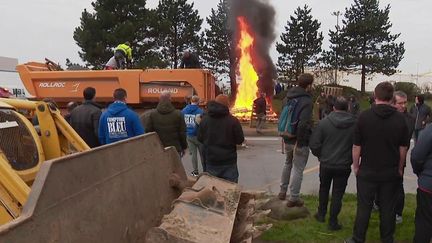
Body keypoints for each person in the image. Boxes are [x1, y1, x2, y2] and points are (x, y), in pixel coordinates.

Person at [345, 82, 409, 243]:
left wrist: (356, 166)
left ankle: (358, 238)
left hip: (367, 170)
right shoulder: (401, 119)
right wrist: (400, 168)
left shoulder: (364, 116)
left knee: (364, 207)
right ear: (392, 97)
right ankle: (387, 239)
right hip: (390, 171)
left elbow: (356, 146)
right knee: (388, 208)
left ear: (375, 95)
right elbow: (403, 149)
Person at [309, 96, 356, 231]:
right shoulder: (354, 124)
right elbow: (358, 143)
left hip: (327, 163)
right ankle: (333, 221)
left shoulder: (324, 123)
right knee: (338, 193)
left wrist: (320, 155)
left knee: (324, 189)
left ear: (334, 107)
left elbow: (315, 143)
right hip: (344, 164)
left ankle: (321, 214)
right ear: (347, 107)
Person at [278, 73, 314, 207]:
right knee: (298, 168)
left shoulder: (287, 98)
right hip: (299, 140)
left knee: (287, 163)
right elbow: (303, 124)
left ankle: (282, 191)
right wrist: (301, 141)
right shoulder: (306, 101)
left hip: (287, 137)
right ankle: (293, 198)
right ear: (309, 85)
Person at [198, 94, 244, 183]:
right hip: (229, 161)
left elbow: (200, 138)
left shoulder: (205, 120)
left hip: (212, 161)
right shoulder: (233, 121)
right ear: (227, 105)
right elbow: (240, 140)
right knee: (230, 190)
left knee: (213, 190)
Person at [391, 91, 415, 224]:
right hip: (385, 157)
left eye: (405, 102)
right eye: (400, 103)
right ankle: (378, 203)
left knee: (398, 186)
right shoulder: (389, 116)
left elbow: (403, 141)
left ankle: (398, 212)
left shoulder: (409, 119)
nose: (404, 106)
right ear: (393, 103)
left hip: (400, 157)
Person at [145, 91, 187, 155]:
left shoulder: (152, 114)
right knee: (175, 164)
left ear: (159, 99)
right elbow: (182, 133)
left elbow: (148, 131)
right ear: (170, 99)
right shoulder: (178, 114)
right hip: (175, 148)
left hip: (158, 148)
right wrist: (184, 147)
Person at [411, 124, 432, 243]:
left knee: (424, 221)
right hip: (428, 182)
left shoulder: (429, 131)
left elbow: (417, 156)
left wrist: (419, 172)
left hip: (428, 184)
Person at [181, 95, 204, 176]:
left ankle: (195, 171)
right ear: (198, 102)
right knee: (202, 154)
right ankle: (205, 171)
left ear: (191, 101)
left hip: (189, 135)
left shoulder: (184, 110)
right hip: (198, 136)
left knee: (193, 154)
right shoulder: (200, 111)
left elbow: (182, 122)